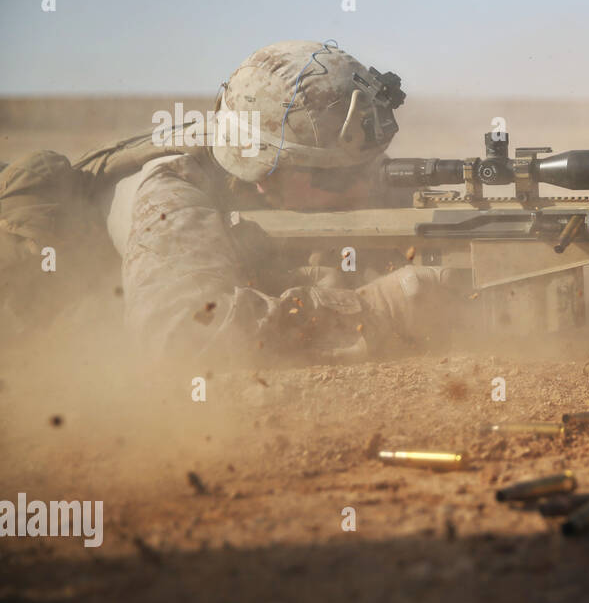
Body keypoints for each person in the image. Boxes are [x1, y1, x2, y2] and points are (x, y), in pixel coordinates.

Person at [0, 40, 448, 364]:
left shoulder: (284, 159)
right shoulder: (171, 189)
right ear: (264, 176)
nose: (367, 186)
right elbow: (181, 335)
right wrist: (375, 309)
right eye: (345, 176)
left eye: (372, 166)